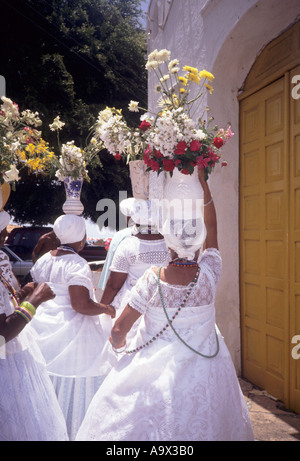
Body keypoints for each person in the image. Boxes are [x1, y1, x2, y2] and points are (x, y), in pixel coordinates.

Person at [76, 169, 254, 441]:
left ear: (168, 239)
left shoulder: (152, 279)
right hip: (208, 370)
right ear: (198, 242)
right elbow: (214, 230)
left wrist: (120, 347)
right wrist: (204, 187)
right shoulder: (210, 272)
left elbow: (118, 332)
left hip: (152, 371)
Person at [29, 214, 116, 440]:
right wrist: (106, 308)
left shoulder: (44, 259)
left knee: (46, 382)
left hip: (42, 328)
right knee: (74, 381)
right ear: (81, 239)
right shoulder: (77, 264)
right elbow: (80, 305)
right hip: (72, 335)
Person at [0, 211, 68, 441]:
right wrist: (34, 300)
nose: (5, 237)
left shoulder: (2, 258)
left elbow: (5, 305)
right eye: (1, 232)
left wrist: (20, 295)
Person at [100, 198, 171, 338]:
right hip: (162, 306)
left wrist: (102, 308)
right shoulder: (169, 245)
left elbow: (113, 285)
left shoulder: (128, 245)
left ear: (136, 218)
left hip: (129, 307)